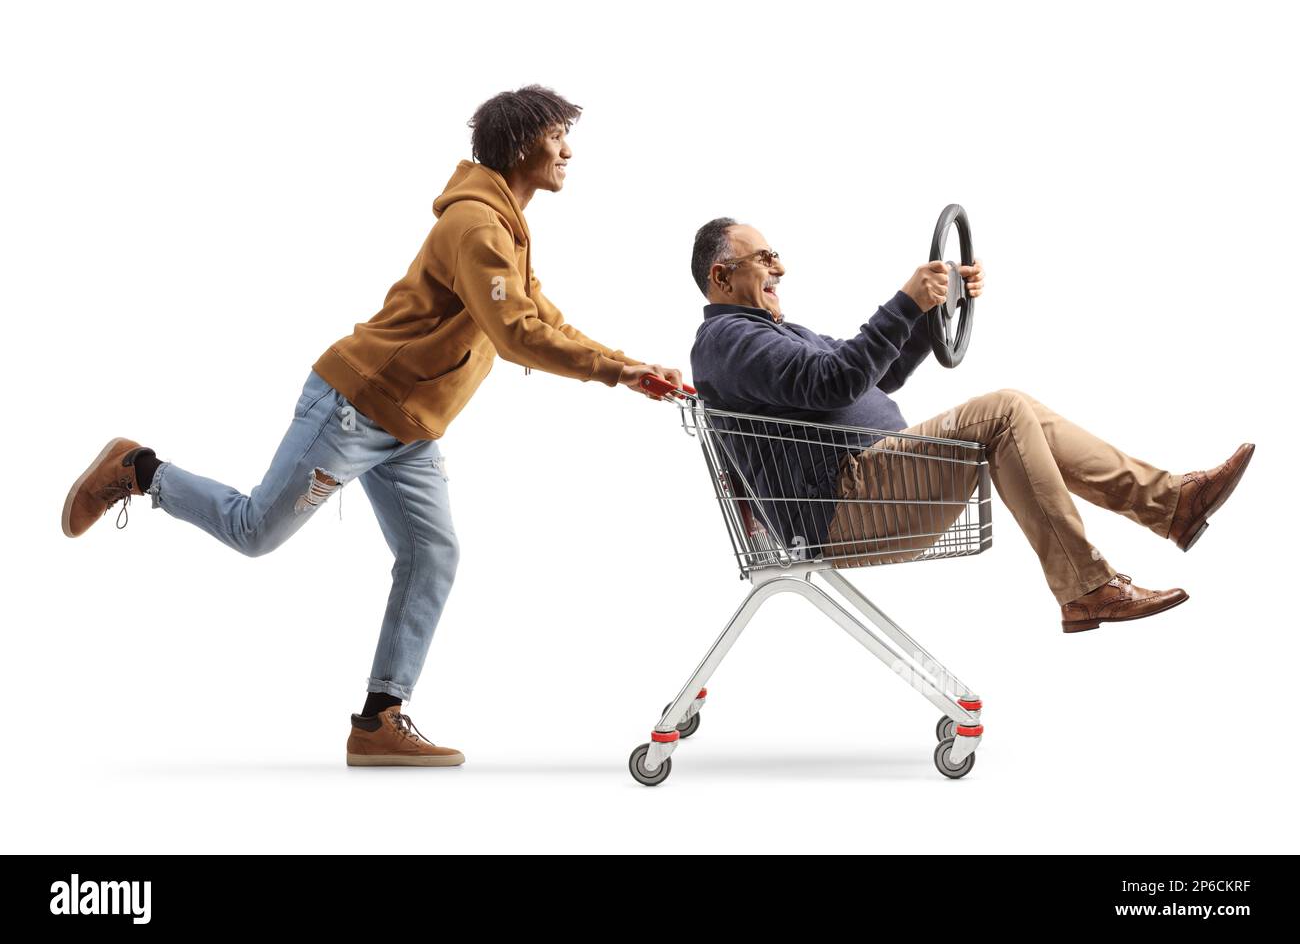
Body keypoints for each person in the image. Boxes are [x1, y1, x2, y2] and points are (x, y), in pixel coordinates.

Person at [61, 85, 683, 765]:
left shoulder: (506, 227)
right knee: (253, 532)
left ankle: (379, 720)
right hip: (355, 409)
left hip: (410, 425)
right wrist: (614, 374)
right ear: (520, 143)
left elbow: (542, 316)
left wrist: (628, 365)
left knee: (433, 554)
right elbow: (516, 334)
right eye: (558, 134)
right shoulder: (477, 226)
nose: (569, 149)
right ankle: (138, 469)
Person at [687, 217, 1253, 633]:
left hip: (878, 484)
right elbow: (837, 380)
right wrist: (906, 301)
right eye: (763, 258)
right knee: (1004, 410)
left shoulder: (772, 333)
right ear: (721, 275)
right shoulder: (729, 341)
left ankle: (1168, 506)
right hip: (845, 504)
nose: (779, 267)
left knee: (1018, 413)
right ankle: (1093, 580)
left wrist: (932, 309)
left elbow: (872, 379)